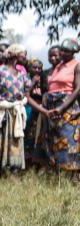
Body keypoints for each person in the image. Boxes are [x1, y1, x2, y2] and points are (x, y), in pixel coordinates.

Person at [0, 44, 43, 175]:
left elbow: (27, 96)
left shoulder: (23, 75)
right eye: (23, 54)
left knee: (15, 141)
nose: (25, 57)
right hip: (0, 111)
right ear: (15, 54)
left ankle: (14, 171)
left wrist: (43, 111)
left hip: (16, 112)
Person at [43, 38, 80, 183]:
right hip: (53, 107)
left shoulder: (76, 65)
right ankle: (58, 173)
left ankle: (75, 175)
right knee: (55, 139)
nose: (63, 53)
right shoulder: (58, 66)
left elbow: (77, 89)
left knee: (70, 139)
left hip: (67, 106)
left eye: (66, 51)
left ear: (73, 52)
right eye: (62, 50)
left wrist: (62, 107)